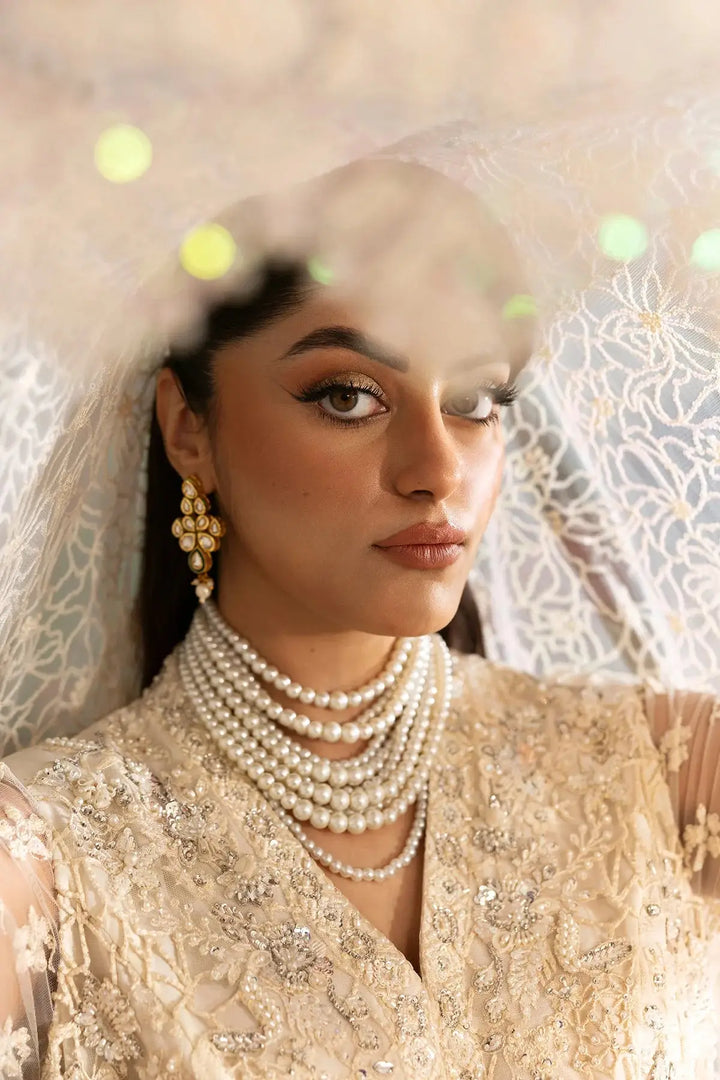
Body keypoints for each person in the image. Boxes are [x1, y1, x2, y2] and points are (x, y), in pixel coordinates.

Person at [0, 158, 718, 1079]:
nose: (439, 469)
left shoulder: (662, 769)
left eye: (475, 402)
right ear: (188, 428)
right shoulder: (49, 864)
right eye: (348, 396)